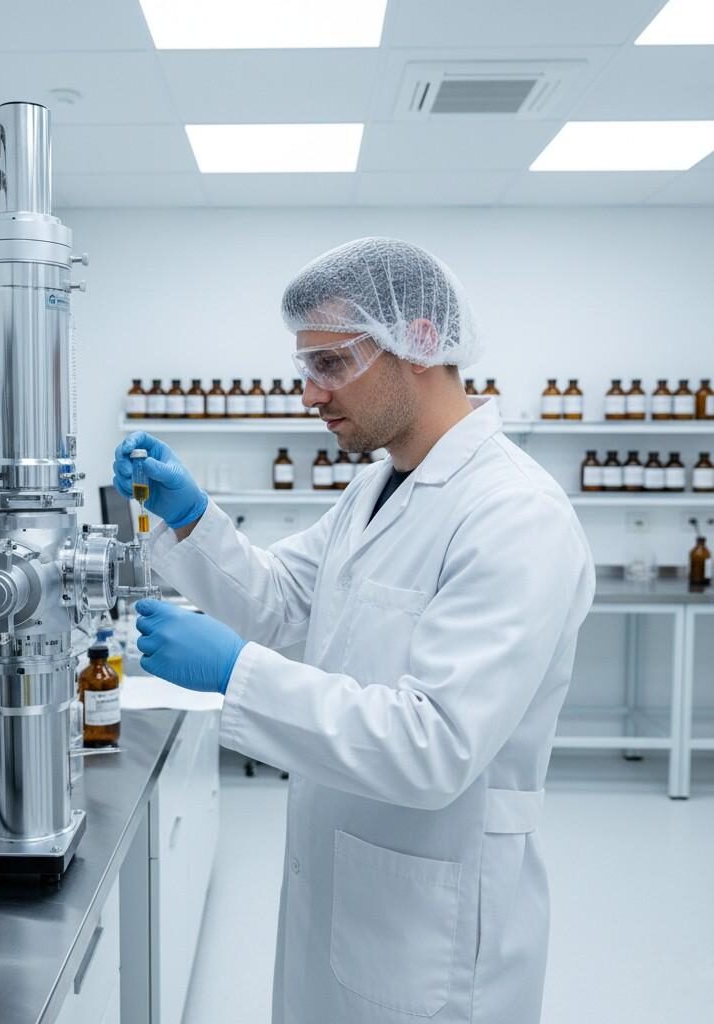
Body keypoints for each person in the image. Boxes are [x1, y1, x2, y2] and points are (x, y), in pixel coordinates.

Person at [113, 237, 595, 1024]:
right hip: (348, 878)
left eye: (330, 364)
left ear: (421, 343)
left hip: (434, 927)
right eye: (306, 367)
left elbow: (434, 746)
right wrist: (193, 520)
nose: (310, 393)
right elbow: (284, 600)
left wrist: (238, 677)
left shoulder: (515, 516)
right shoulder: (377, 484)